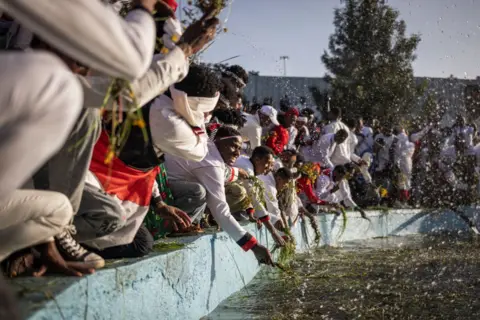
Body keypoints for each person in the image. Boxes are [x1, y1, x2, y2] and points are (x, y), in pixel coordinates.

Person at [78, 64, 222, 258]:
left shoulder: (156, 98)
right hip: (93, 183)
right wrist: (198, 121)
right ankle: (55, 241)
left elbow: (143, 170)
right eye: (207, 112)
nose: (207, 118)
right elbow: (200, 151)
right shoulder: (170, 123)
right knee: (139, 244)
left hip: (103, 176)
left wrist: (159, 204)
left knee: (139, 239)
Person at [164, 126, 274, 265]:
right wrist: (254, 246)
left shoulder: (210, 149)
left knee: (206, 190)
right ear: (218, 142)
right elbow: (221, 212)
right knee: (199, 191)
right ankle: (176, 226)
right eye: (234, 147)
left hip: (173, 182)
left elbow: (223, 173)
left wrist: (236, 172)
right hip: (163, 187)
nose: (237, 153)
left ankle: (190, 221)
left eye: (240, 149)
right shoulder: (210, 163)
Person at [234, 146, 286, 246]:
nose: (270, 169)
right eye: (268, 164)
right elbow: (255, 200)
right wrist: (273, 232)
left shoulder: (246, 161)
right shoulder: (247, 169)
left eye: (271, 165)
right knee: (243, 215)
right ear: (257, 159)